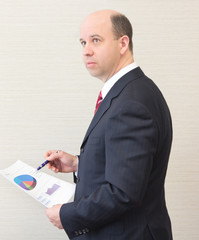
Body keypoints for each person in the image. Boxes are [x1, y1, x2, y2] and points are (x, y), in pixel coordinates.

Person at [45, 9, 173, 240]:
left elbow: (123, 193)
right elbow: (127, 168)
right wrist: (78, 164)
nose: (86, 50)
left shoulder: (131, 103)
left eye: (96, 40)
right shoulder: (130, 91)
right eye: (83, 42)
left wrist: (66, 215)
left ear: (123, 43)